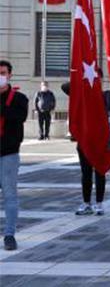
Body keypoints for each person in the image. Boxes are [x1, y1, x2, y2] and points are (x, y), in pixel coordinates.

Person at [62, 76, 107, 217]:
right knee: (86, 174)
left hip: (100, 141)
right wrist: (81, 79)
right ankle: (86, 203)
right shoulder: (81, 96)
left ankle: (99, 203)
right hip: (84, 141)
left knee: (100, 172)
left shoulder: (103, 96)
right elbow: (65, 86)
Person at [0, 60, 29, 251]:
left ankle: (9, 234)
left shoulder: (19, 98)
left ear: (10, 75)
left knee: (10, 195)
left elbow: (19, 117)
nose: (0, 76)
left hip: (9, 153)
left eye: (3, 73)